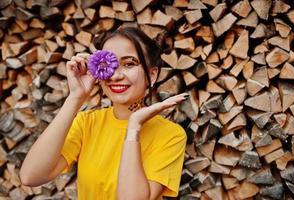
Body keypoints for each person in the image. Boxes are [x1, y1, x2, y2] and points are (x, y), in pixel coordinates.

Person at [19, 26, 188, 200]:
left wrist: (133, 128)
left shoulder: (171, 135)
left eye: (129, 64)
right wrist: (76, 97)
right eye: (108, 65)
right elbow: (30, 176)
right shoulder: (87, 123)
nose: (115, 76)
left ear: (152, 75)